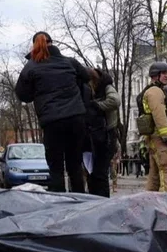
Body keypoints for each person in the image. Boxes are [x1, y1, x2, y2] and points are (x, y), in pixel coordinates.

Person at [15, 31, 88, 193]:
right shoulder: (69, 62)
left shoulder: (31, 66)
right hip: (76, 118)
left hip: (52, 121)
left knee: (56, 167)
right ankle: (80, 201)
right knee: (75, 164)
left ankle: (59, 202)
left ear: (34, 45)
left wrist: (36, 92)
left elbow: (22, 94)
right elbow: (86, 77)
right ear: (52, 43)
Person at [137, 61, 167, 192]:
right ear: (155, 75)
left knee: (155, 174)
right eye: (163, 73)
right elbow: (159, 115)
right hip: (159, 137)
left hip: (154, 137)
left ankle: (150, 200)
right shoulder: (155, 91)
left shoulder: (152, 90)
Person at [90, 68, 121, 192]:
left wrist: (97, 105)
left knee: (101, 172)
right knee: (98, 172)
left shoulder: (107, 87)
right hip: (103, 132)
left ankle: (101, 196)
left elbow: (115, 101)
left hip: (107, 133)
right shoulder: (101, 88)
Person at [79, 68, 110, 197]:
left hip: (92, 138)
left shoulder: (87, 94)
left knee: (94, 174)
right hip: (99, 137)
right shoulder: (97, 94)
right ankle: (102, 200)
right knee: (99, 174)